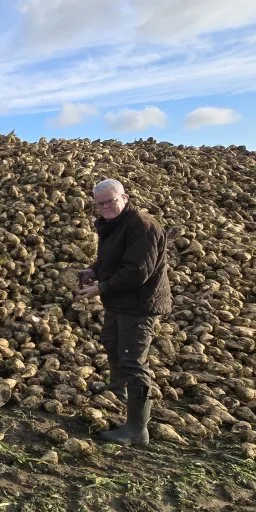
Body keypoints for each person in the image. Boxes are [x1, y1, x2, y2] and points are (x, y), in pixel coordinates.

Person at [74, 178, 171, 445]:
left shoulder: (143, 226)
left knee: (133, 361)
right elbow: (113, 256)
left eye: (110, 201)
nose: (105, 207)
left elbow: (137, 271)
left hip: (139, 304)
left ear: (125, 197)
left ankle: (137, 430)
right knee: (112, 342)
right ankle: (118, 391)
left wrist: (100, 288)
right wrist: (93, 270)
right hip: (120, 302)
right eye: (100, 203)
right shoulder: (114, 223)